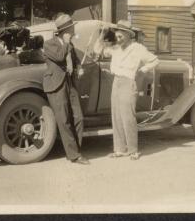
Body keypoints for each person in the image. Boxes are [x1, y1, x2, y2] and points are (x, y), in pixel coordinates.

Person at [94, 20, 159, 160]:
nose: (118, 39)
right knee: (116, 116)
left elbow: (154, 60)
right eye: (117, 36)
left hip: (129, 83)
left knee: (128, 117)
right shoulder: (116, 48)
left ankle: (133, 151)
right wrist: (103, 35)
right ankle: (120, 149)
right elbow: (97, 50)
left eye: (121, 36)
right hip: (116, 82)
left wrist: (142, 71)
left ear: (129, 35)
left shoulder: (138, 48)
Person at [42, 14, 89, 165]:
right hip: (56, 84)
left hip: (69, 83)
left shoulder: (70, 45)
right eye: (72, 27)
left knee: (79, 117)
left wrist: (79, 68)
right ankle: (74, 155)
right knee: (64, 120)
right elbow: (60, 57)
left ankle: (75, 150)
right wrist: (67, 44)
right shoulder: (50, 44)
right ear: (65, 31)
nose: (75, 29)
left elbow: (74, 60)